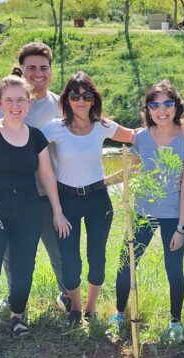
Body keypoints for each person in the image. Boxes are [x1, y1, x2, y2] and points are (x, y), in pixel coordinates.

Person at [0, 74, 71, 358]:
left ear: (29, 102)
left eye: (21, 100)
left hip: (28, 210)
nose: (15, 106)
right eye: (8, 100)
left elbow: (46, 175)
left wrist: (57, 211)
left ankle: (17, 315)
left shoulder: (36, 136)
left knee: (24, 267)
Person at [0, 42, 70, 313]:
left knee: (59, 250)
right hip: (8, 194)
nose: (38, 74)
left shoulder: (60, 105)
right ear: (22, 70)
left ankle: (68, 296)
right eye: (31, 68)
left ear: (51, 71)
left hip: (49, 192)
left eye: (44, 68)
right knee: (12, 253)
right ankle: (15, 300)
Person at [41, 71, 134, 326]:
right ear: (67, 100)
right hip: (66, 200)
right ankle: (75, 309)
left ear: (94, 99)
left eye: (86, 95)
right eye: (75, 96)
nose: (81, 100)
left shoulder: (103, 126)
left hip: (97, 199)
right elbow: (25, 143)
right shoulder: (54, 128)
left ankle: (91, 310)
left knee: (97, 255)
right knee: (70, 259)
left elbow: (136, 136)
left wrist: (168, 126)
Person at [108, 80, 184, 343]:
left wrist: (182, 227)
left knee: (174, 269)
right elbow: (130, 170)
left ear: (176, 106)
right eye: (154, 105)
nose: (161, 110)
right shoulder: (142, 137)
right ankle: (119, 313)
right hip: (143, 212)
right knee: (127, 263)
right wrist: (101, 181)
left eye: (167, 104)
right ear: (148, 108)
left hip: (173, 214)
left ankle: (175, 322)